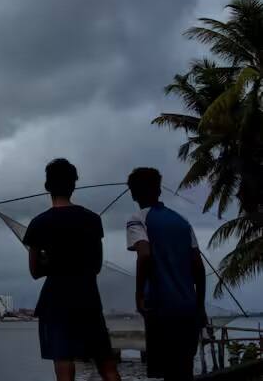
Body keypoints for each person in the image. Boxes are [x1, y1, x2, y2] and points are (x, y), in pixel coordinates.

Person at [22, 158, 121, 381]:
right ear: (74, 185)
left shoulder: (38, 223)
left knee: (64, 369)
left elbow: (35, 271)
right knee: (107, 365)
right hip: (88, 300)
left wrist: (49, 261)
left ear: (47, 187)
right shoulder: (93, 220)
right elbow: (96, 266)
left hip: (55, 302)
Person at [125, 167, 207, 381]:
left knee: (167, 373)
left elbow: (144, 254)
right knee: (184, 371)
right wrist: (200, 306)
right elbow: (198, 267)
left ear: (133, 194)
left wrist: (139, 296)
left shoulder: (138, 219)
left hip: (161, 309)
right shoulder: (182, 222)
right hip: (189, 309)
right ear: (159, 191)